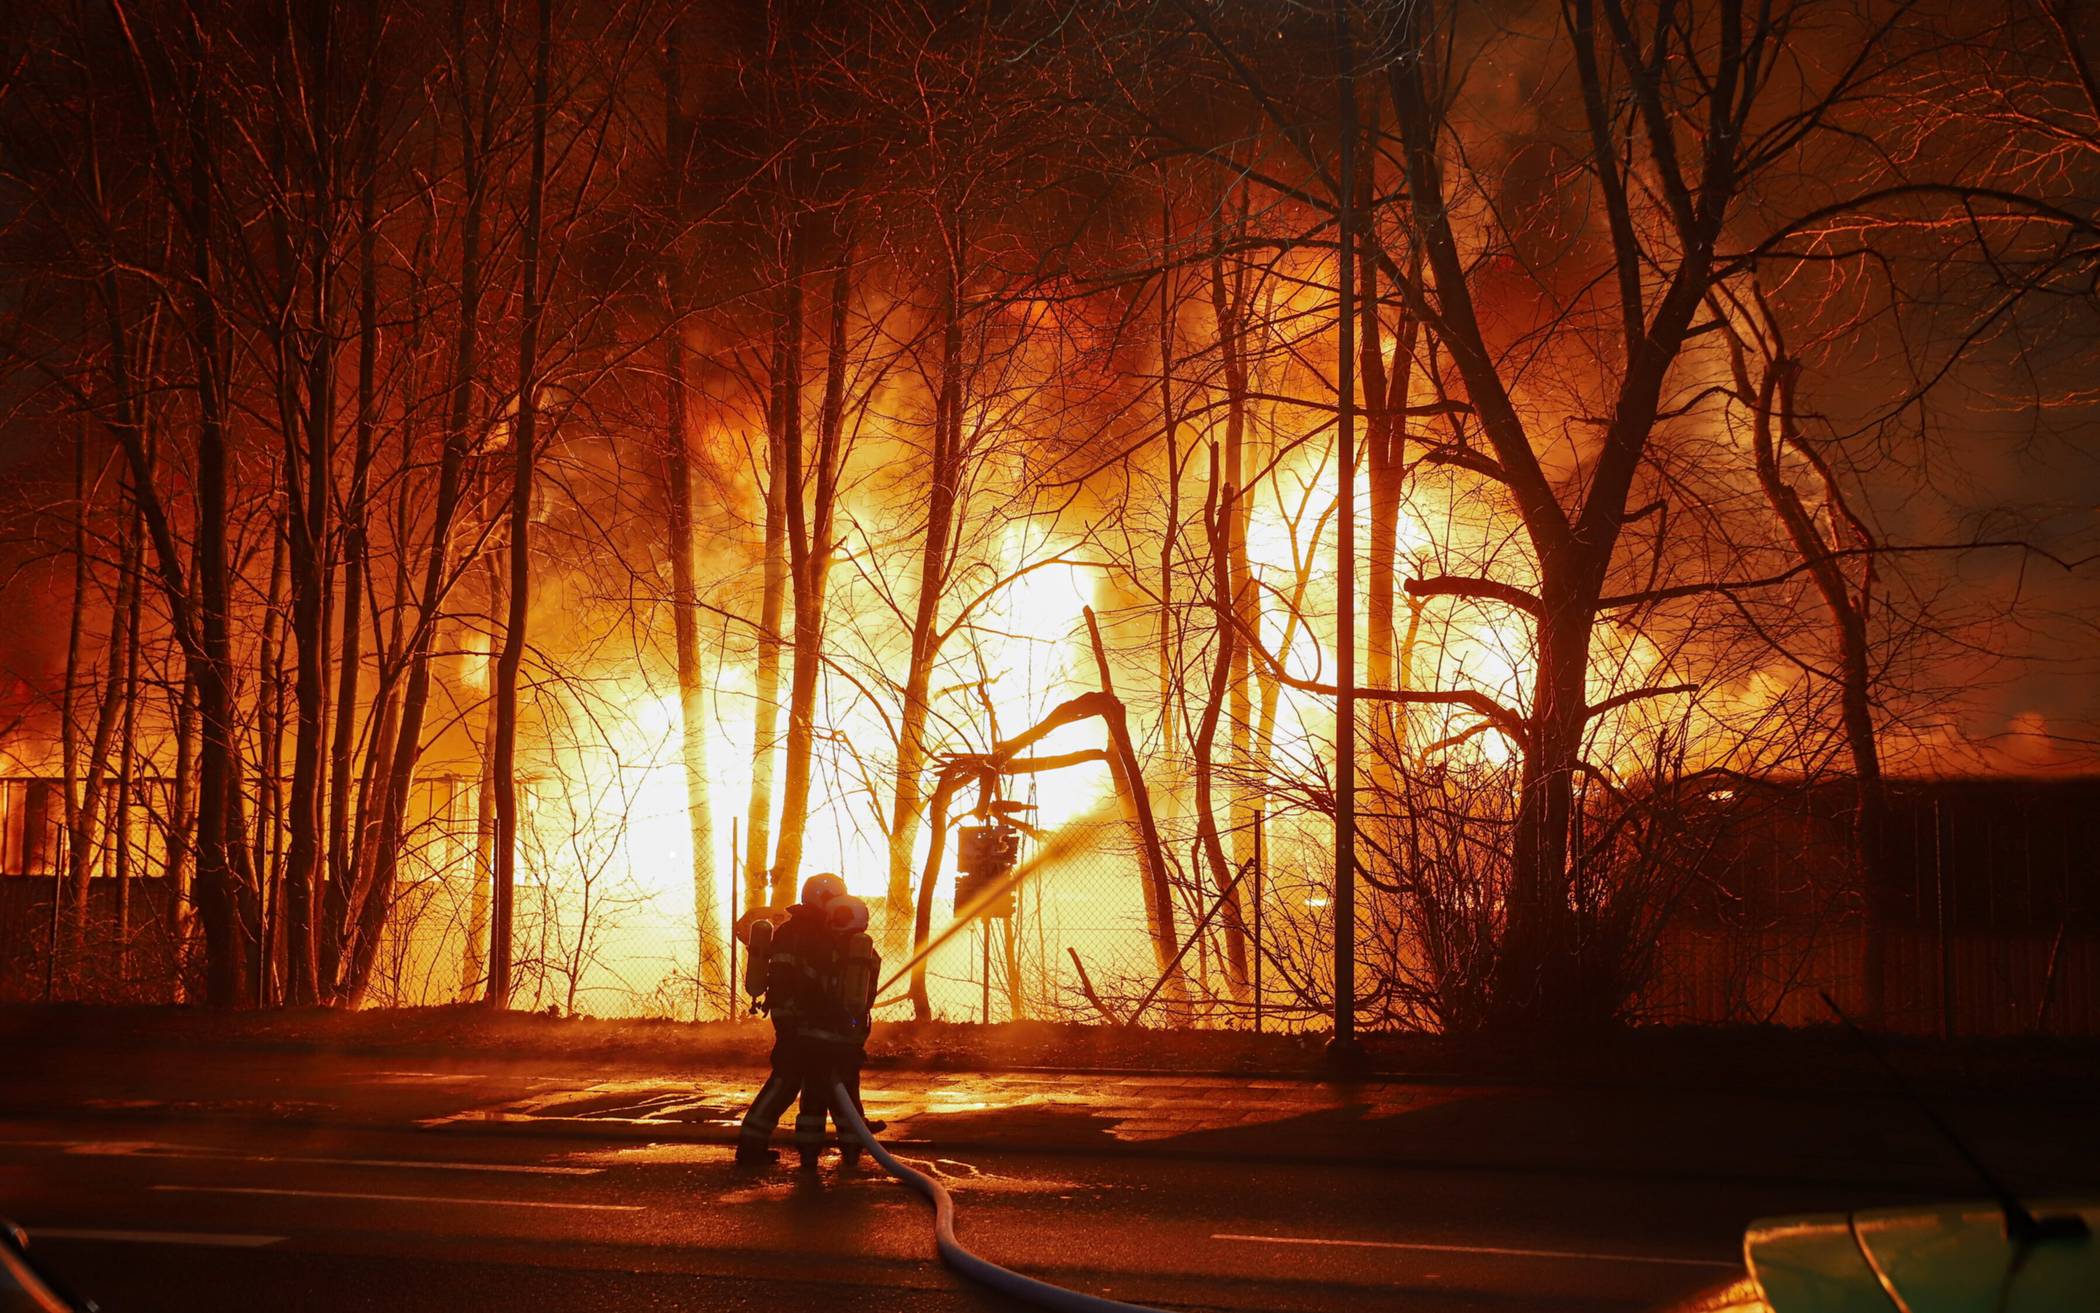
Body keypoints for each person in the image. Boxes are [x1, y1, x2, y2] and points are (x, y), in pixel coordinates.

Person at [736, 873, 868, 1167]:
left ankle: (758, 1146)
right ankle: (844, 1148)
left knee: (800, 1081)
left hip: (792, 1018)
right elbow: (813, 980)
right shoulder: (815, 933)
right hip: (804, 1020)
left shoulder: (795, 928)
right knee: (802, 1081)